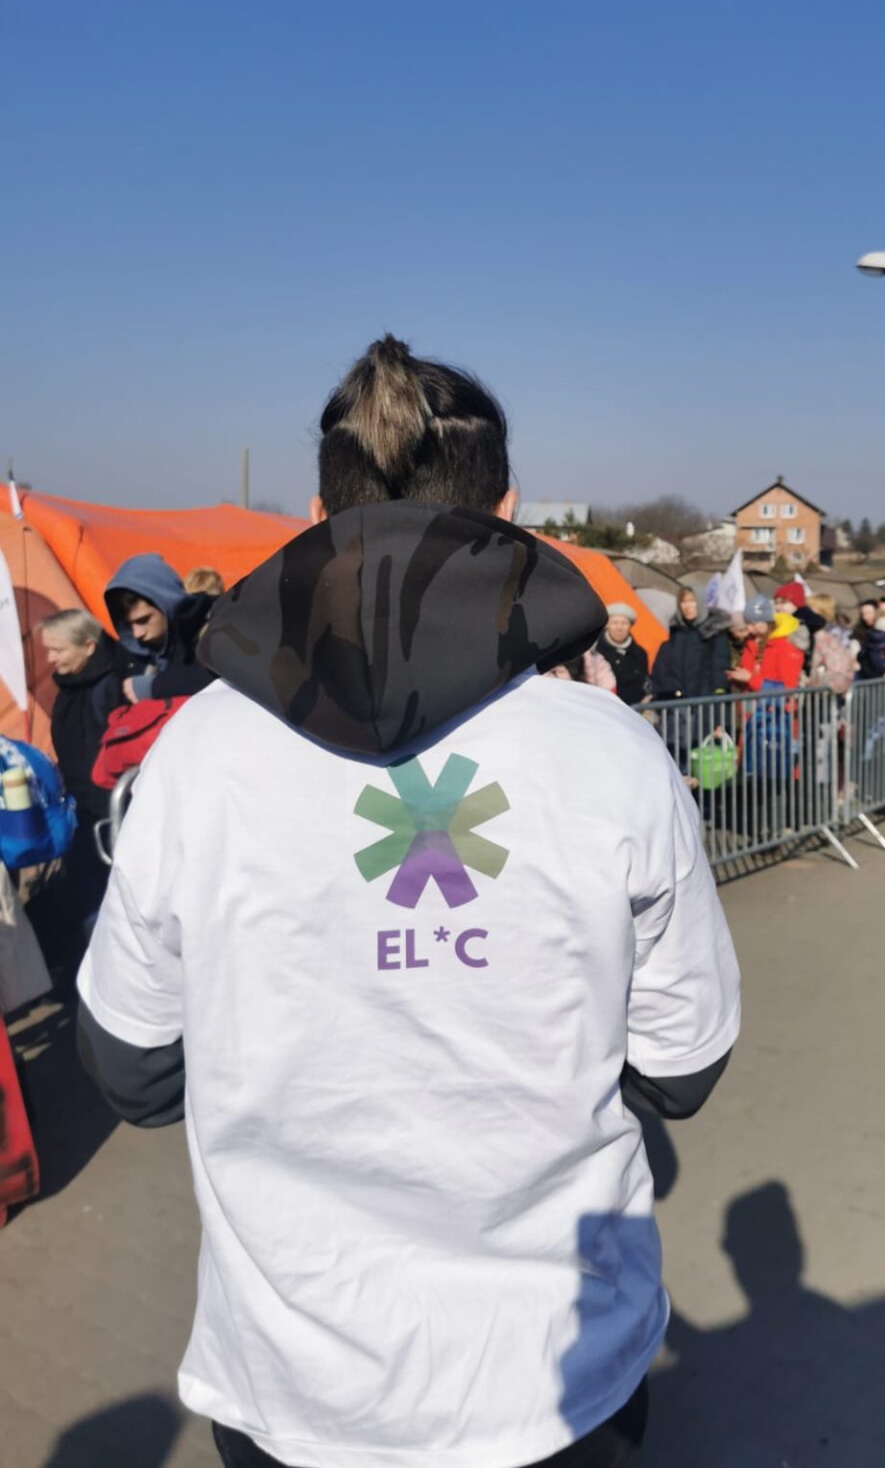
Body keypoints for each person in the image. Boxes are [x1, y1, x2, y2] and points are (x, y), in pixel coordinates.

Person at [76, 334, 740, 1468]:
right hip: (553, 1377)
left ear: (318, 515)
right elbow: (681, 1065)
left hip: (297, 1378)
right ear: (513, 512)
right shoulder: (612, 754)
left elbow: (133, 1069)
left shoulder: (198, 755)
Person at [37, 609, 122, 933]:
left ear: (88, 646)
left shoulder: (113, 685)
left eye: (58, 650)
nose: (50, 658)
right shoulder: (68, 688)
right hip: (84, 813)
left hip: (112, 815)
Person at [104, 555, 218, 702]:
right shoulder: (138, 656)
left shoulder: (213, 624)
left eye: (143, 620)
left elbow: (228, 673)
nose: (137, 634)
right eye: (128, 625)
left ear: (166, 602)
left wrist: (156, 686)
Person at [651, 586, 731, 700]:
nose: (688, 607)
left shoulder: (714, 632)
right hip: (680, 701)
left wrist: (719, 692)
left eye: (692, 601)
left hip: (706, 700)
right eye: (684, 602)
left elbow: (720, 665)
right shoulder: (677, 632)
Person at [730, 596, 804, 692]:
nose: (749, 628)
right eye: (747, 623)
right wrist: (735, 677)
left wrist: (750, 679)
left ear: (767, 622)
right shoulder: (751, 642)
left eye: (753, 624)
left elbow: (788, 689)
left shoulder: (786, 645)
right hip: (749, 705)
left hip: (772, 706)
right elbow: (747, 678)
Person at [595, 603, 650, 705]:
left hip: (637, 710)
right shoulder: (597, 653)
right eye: (614, 623)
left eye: (624, 623)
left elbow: (645, 681)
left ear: (630, 626)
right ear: (607, 625)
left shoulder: (640, 653)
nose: (619, 627)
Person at [806, 594, 857, 695]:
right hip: (823, 688)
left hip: (823, 689)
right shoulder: (822, 632)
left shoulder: (827, 634)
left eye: (810, 609)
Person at [853, 601, 885, 680]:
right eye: (863, 614)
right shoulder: (861, 635)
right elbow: (862, 660)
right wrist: (881, 676)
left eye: (869, 613)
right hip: (872, 678)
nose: (866, 617)